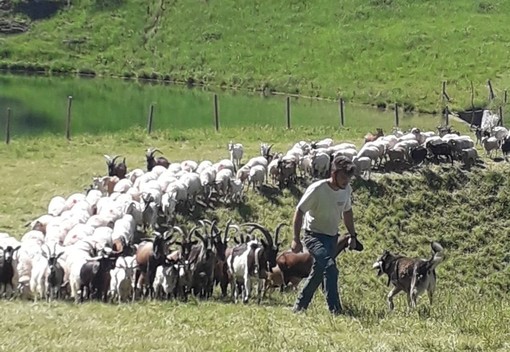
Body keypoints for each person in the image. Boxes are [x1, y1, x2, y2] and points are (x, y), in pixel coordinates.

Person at [291, 155, 361, 315]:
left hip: (332, 237)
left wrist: (353, 236)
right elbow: (299, 211)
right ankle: (335, 310)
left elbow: (347, 211)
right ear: (333, 173)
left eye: (349, 178)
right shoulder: (317, 189)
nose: (346, 182)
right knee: (330, 268)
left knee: (317, 273)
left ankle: (299, 307)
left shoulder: (346, 190)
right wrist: (296, 239)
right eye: (343, 177)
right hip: (313, 236)